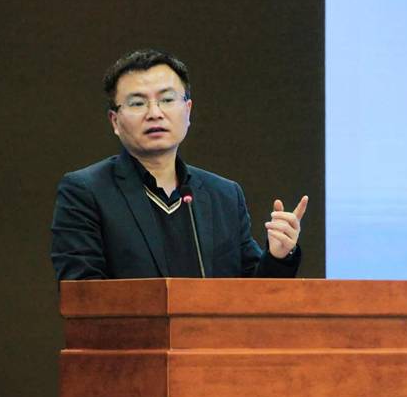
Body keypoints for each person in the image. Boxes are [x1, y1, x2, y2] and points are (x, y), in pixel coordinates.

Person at [50, 49, 308, 280]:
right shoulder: (86, 191)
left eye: (167, 99)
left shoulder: (224, 195)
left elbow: (253, 297)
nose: (155, 113)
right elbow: (82, 292)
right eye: (138, 103)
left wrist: (278, 256)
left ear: (188, 110)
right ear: (115, 121)